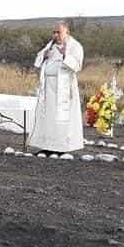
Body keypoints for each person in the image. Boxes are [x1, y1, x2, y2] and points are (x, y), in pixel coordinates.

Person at [28, 22, 84, 154]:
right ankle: (48, 146)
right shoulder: (51, 44)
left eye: (59, 32)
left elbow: (77, 65)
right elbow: (38, 60)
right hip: (49, 89)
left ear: (67, 32)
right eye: (54, 32)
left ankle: (61, 148)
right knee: (48, 118)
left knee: (61, 119)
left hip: (63, 89)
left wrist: (66, 55)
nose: (56, 35)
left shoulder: (75, 46)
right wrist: (44, 56)